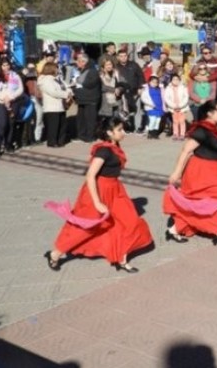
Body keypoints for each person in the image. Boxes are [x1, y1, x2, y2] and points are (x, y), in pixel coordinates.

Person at [43, 117, 153, 273]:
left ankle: (121, 258)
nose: (123, 132)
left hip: (115, 190)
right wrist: (97, 202)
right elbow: (90, 176)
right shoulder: (104, 150)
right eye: (119, 130)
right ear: (109, 132)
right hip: (98, 191)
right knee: (86, 227)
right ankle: (55, 254)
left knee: (130, 222)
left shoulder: (114, 146)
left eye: (122, 129)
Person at [163, 101, 217, 246]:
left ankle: (174, 230)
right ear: (209, 113)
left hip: (216, 169)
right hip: (201, 170)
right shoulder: (201, 130)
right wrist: (177, 173)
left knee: (203, 202)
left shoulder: (215, 129)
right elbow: (186, 151)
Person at [0, 57, 24, 155]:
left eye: (7, 65)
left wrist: (11, 97)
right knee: (2, 124)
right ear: (0, 66)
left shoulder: (15, 75)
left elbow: (20, 89)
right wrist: (3, 98)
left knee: (11, 124)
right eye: (4, 65)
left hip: (13, 102)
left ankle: (9, 144)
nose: (6, 67)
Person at [37, 63, 73, 147]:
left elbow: (66, 86)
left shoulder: (57, 79)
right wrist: (65, 94)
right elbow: (53, 92)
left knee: (62, 125)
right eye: (56, 68)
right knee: (53, 126)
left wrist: (69, 92)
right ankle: (52, 142)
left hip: (61, 106)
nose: (58, 70)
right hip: (52, 107)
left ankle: (60, 141)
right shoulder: (45, 80)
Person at [72, 53, 100, 142]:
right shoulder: (82, 71)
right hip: (82, 99)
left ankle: (89, 136)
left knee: (90, 119)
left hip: (90, 99)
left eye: (78, 61)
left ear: (84, 62)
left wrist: (78, 81)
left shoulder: (92, 71)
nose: (76, 63)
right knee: (81, 119)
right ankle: (81, 135)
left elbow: (90, 84)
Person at [163, 74, 189, 141]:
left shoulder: (183, 87)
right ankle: (175, 134)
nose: (175, 81)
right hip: (173, 108)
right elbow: (167, 98)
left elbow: (186, 97)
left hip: (182, 108)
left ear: (179, 80)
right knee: (175, 122)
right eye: (174, 79)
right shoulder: (168, 88)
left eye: (177, 79)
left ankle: (182, 134)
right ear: (171, 80)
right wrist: (173, 106)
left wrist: (180, 105)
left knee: (182, 121)